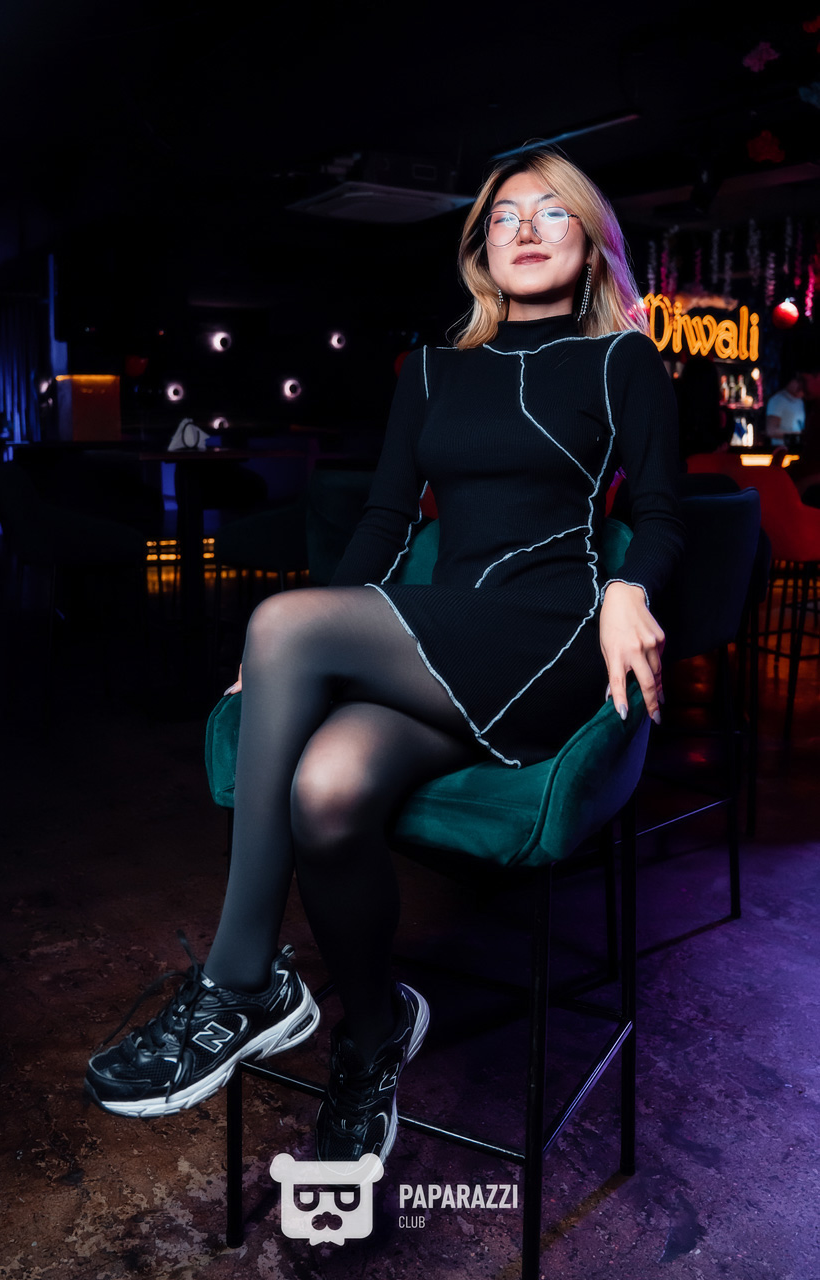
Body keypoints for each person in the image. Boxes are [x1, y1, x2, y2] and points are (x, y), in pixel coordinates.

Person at [85, 146, 684, 1165]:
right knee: (325, 788)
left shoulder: (622, 360)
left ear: (589, 246)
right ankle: (371, 1035)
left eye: (552, 212)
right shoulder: (433, 368)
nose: (525, 228)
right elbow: (383, 518)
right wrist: (296, 649)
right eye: (504, 214)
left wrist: (628, 588)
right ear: (480, 246)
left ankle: (242, 979)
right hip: (444, 634)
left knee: (282, 624)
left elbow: (664, 514)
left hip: (546, 637)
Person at [765, 372, 805, 447]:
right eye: (799, 381)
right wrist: (797, 436)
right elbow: (771, 431)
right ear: (790, 381)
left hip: (797, 449)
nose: (801, 385)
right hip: (782, 449)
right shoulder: (778, 400)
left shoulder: (800, 401)